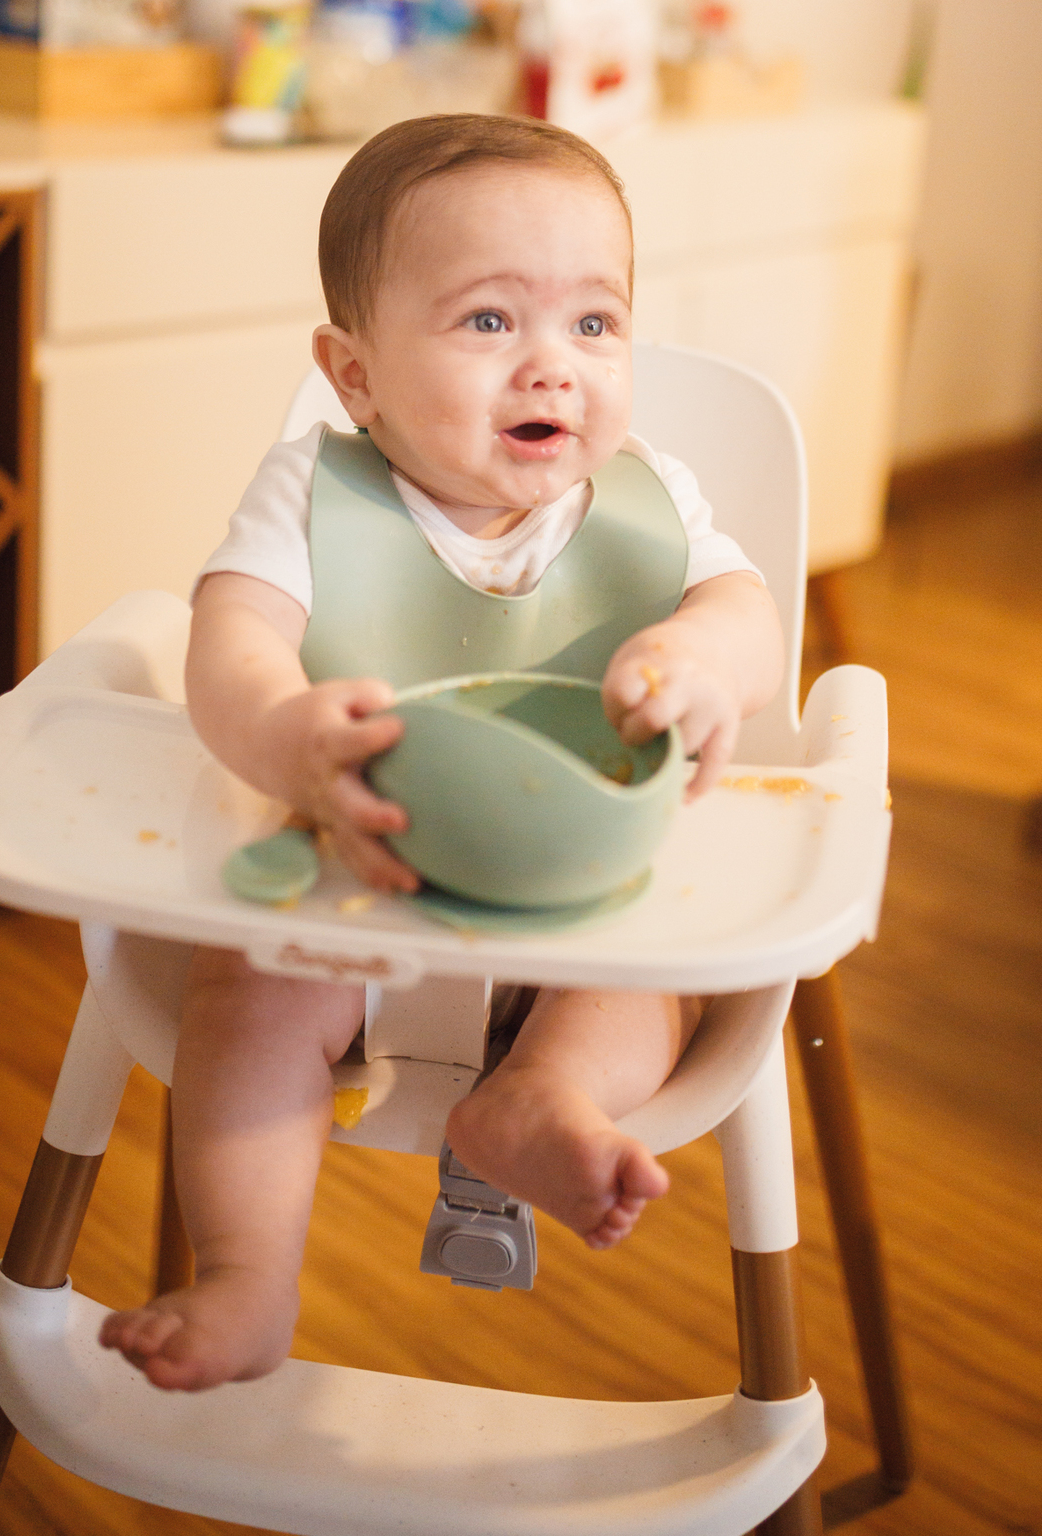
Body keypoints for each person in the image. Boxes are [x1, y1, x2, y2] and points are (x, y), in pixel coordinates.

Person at [100, 114, 784, 1391]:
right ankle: (247, 1274)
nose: (553, 369)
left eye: (594, 323)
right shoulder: (311, 492)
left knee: (643, 994)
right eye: (488, 323)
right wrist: (291, 736)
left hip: (593, 898)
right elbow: (231, 643)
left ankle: (537, 1099)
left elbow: (749, 619)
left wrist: (700, 657)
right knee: (245, 1001)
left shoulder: (653, 497)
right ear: (353, 376)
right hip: (355, 885)